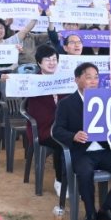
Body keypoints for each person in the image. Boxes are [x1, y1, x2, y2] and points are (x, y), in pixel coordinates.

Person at [52, 63, 111, 220]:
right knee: (85, 172)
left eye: (96, 77)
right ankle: (90, 213)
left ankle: (106, 210)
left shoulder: (108, 99)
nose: (93, 81)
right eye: (88, 77)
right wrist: (73, 136)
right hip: (81, 152)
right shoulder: (66, 103)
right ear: (77, 80)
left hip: (104, 150)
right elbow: (57, 130)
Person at [24, 45, 66, 196]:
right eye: (47, 60)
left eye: (54, 59)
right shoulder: (32, 81)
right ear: (39, 63)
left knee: (79, 140)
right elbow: (17, 88)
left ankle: (75, 179)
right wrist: (8, 80)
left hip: (62, 127)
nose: (52, 62)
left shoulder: (64, 79)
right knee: (63, 144)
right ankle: (60, 181)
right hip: (42, 129)